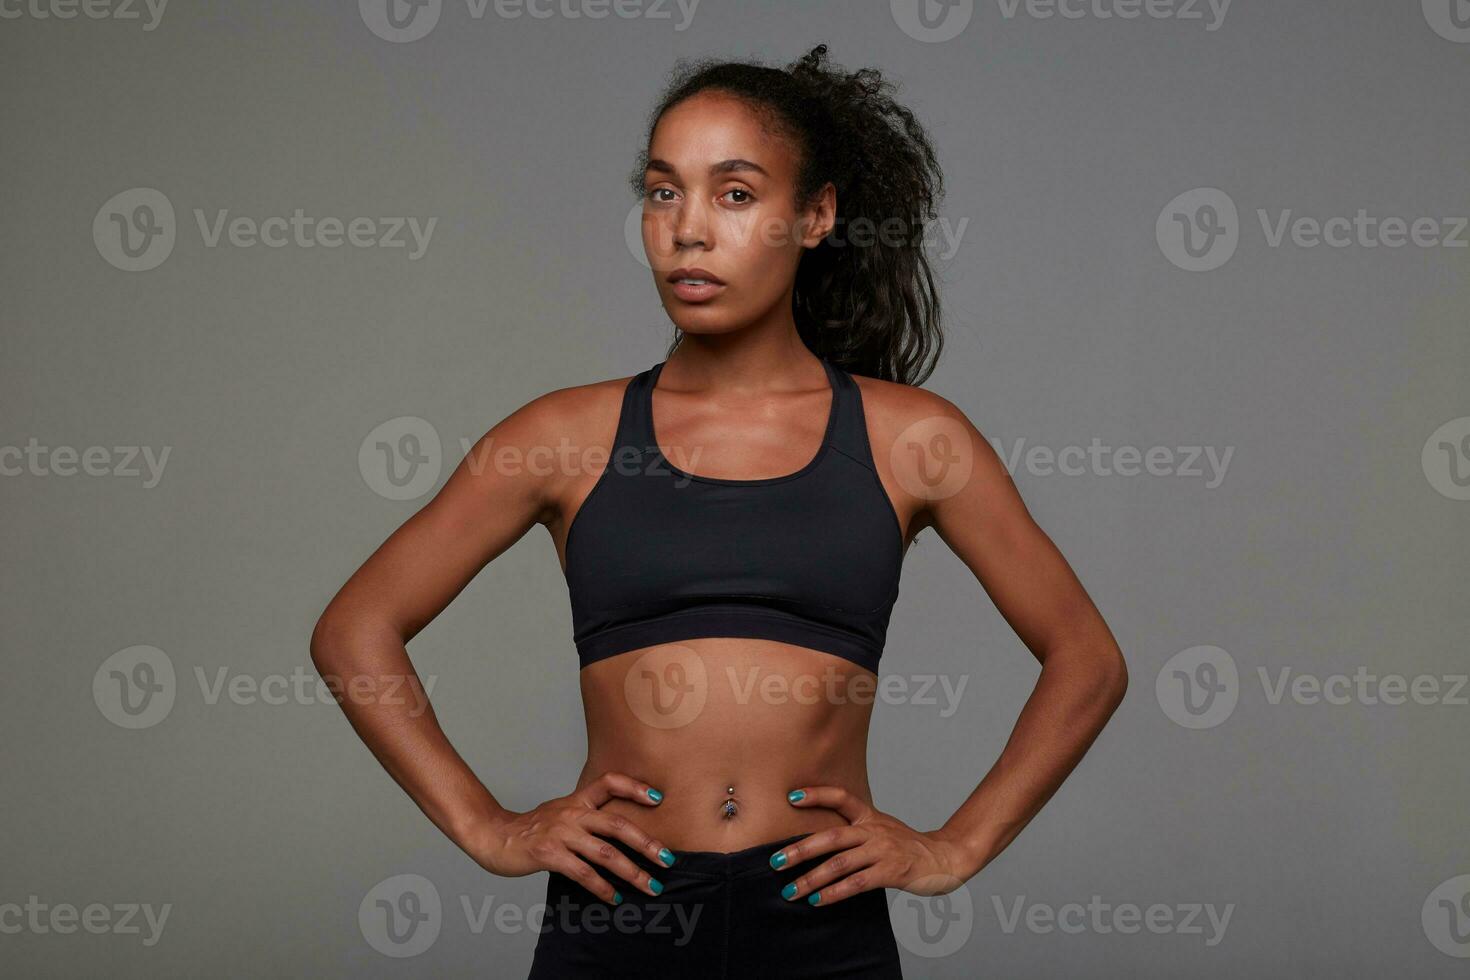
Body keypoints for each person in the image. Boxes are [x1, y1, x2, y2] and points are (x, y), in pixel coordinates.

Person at [310, 44, 1128, 979]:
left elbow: (1087, 660)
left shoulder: (913, 441)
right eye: (664, 193)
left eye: (734, 194)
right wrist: (486, 827)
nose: (687, 231)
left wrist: (954, 847)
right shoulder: (565, 435)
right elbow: (355, 629)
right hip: (618, 919)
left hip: (823, 924)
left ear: (815, 215)